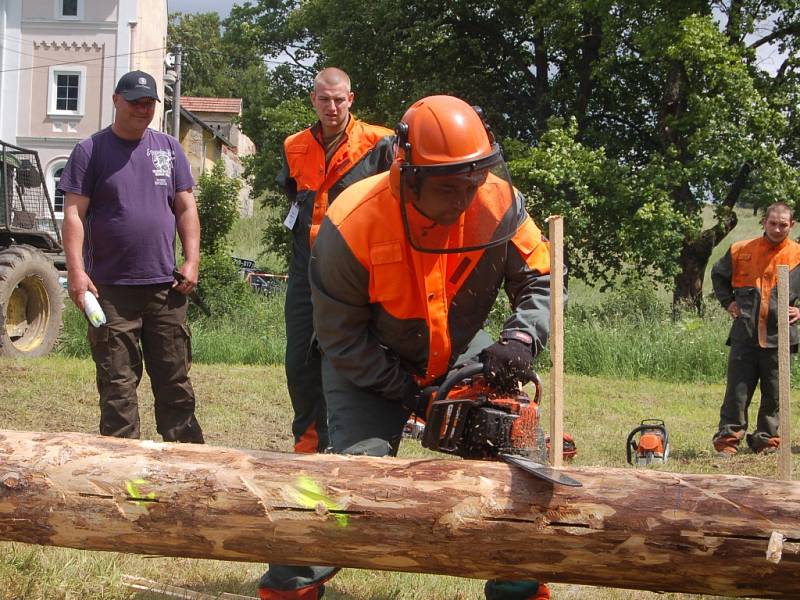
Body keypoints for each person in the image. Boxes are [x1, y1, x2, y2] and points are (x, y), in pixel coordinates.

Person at [259, 95, 553, 599]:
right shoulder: (352, 223)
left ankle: (520, 589)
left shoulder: (499, 201)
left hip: (459, 346)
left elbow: (541, 279)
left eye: (471, 182)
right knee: (346, 480)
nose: (462, 200)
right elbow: (340, 339)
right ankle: (288, 589)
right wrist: (411, 396)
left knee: (522, 463)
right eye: (446, 188)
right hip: (371, 359)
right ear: (407, 175)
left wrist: (521, 337)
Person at [60, 70, 204, 444]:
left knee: (175, 381)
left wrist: (192, 260)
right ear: (115, 100)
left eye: (149, 103)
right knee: (118, 387)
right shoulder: (90, 152)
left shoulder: (169, 148)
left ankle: (190, 468)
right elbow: (74, 215)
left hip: (165, 288)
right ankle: (121, 473)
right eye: (135, 101)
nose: (143, 109)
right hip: (109, 290)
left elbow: (186, 207)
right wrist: (76, 273)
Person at [278, 67, 395, 454]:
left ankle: (352, 444)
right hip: (304, 271)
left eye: (339, 99)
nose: (332, 107)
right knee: (299, 361)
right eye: (324, 99)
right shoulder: (294, 145)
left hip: (353, 274)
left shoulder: (381, 143)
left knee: (347, 359)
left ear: (351, 99)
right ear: (313, 100)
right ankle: (309, 441)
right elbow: (294, 198)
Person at [711, 202, 800, 457]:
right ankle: (727, 441)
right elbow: (718, 275)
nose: (777, 228)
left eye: (783, 224)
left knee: (774, 394)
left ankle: (767, 441)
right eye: (773, 223)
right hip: (745, 334)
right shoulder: (740, 250)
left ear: (791, 225)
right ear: (764, 222)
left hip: (780, 336)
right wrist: (728, 302)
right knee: (737, 391)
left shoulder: (798, 255)